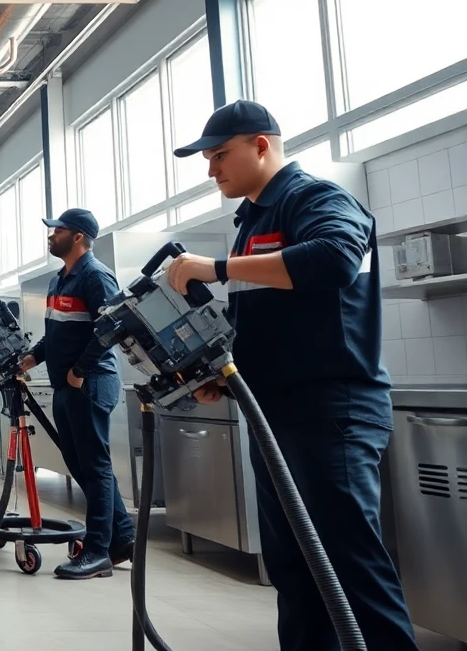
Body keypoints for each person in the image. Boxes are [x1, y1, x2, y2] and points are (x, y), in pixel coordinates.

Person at [164, 100, 416, 650]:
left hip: (330, 412)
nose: (212, 171)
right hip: (274, 415)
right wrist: (226, 374)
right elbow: (260, 319)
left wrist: (218, 268)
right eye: (208, 159)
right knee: (297, 569)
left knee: (349, 567)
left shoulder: (316, 198)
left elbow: (333, 259)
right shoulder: (251, 221)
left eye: (220, 155)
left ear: (261, 145)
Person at [19, 209, 135, 579]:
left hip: (90, 382)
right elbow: (55, 332)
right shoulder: (59, 280)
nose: (51, 236)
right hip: (65, 384)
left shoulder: (95, 276)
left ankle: (98, 551)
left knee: (95, 466)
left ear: (79, 237)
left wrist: (80, 370)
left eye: (58, 231)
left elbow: (112, 325)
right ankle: (123, 538)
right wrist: (34, 356)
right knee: (80, 463)